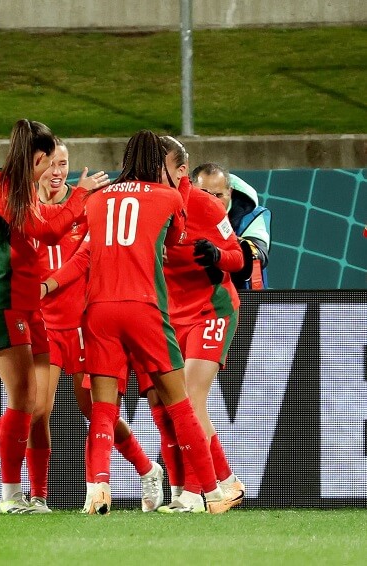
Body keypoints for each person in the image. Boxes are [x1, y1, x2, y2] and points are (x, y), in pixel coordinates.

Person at [81, 129, 228, 515]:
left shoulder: (95, 198)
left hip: (97, 309)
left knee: (103, 408)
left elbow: (88, 245)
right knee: (181, 404)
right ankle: (212, 493)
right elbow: (174, 240)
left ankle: (97, 486)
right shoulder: (168, 197)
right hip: (144, 307)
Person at [0, 121, 88, 514]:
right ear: (39, 157)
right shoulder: (1, 189)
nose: (51, 170)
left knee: (31, 405)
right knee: (22, 401)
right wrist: (81, 196)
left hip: (29, 306)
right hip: (2, 304)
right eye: (48, 162)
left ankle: (6, 485)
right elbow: (47, 231)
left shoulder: (22, 189)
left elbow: (47, 227)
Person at [37, 143, 162, 513]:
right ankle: (37, 496)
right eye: (50, 164)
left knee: (96, 410)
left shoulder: (89, 206)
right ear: (37, 166)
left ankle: (139, 472)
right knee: (36, 411)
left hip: (83, 322)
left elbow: (83, 259)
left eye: (64, 164)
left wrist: (48, 284)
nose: (57, 171)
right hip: (44, 324)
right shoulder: (29, 209)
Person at [150, 137, 246, 513]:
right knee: (178, 403)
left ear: (180, 171)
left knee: (189, 399)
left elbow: (238, 257)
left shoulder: (203, 204)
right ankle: (228, 482)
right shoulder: (151, 205)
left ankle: (193, 493)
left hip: (212, 309)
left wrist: (217, 254)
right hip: (173, 317)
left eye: (160, 168)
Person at [192, 163, 271, 289]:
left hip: (241, 295)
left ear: (229, 192)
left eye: (218, 195)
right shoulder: (179, 211)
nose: (212, 201)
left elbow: (258, 256)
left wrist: (220, 252)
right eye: (205, 194)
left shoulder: (251, 215)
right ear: (192, 190)